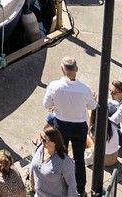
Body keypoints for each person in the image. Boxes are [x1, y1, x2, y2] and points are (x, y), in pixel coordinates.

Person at [41, 57, 93, 194]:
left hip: (61, 125)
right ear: (76, 69)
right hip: (79, 126)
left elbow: (46, 105)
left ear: (62, 69)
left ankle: (61, 185)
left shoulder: (54, 86)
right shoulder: (85, 89)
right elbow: (92, 106)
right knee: (79, 158)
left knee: (61, 156)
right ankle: (80, 189)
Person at [27, 126, 75, 197]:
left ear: (54, 142)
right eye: (41, 137)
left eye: (45, 140)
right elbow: (33, 165)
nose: (41, 141)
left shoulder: (64, 162)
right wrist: (32, 181)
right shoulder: (40, 148)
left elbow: (72, 185)